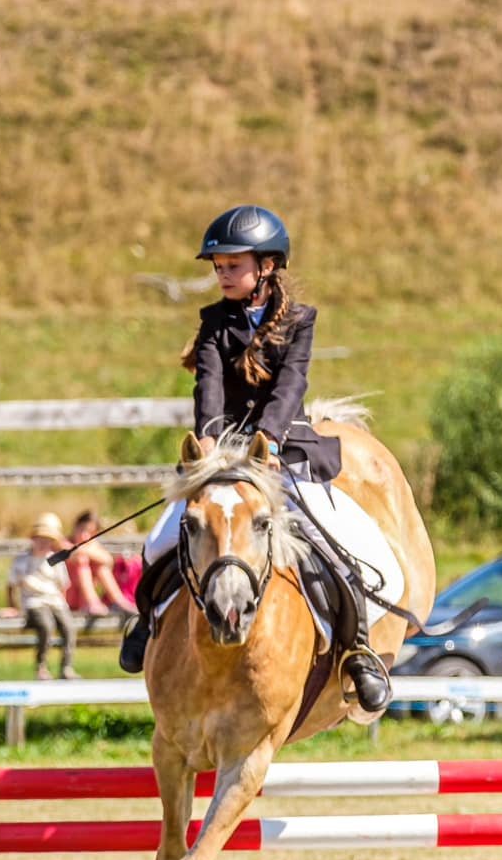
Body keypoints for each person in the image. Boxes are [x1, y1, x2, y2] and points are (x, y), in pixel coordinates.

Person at [116, 204, 391, 713]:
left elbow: (291, 386)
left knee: (338, 547)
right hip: (223, 458)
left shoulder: (301, 322)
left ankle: (357, 652)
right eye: (218, 267)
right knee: (159, 542)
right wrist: (210, 445)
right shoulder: (212, 323)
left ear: (266, 267)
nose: (222, 274)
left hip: (285, 453)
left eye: (232, 265)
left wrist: (266, 443)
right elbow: (210, 388)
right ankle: (147, 623)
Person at [10, 512, 81, 680]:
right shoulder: (22, 560)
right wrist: (13, 606)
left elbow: (63, 585)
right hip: (34, 603)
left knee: (69, 628)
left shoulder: (55, 560)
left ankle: (66, 667)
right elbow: (12, 585)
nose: (42, 544)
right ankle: (41, 666)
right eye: (40, 539)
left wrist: (63, 604)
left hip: (55, 601)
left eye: (47, 540)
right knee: (46, 626)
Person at [65, 509, 138, 619]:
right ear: (75, 527)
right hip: (68, 598)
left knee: (100, 567)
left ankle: (120, 602)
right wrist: (88, 551)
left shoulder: (91, 545)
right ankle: (92, 602)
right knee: (82, 561)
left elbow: (108, 560)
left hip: (83, 600)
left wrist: (88, 551)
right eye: (82, 530)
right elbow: (72, 553)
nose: (85, 536)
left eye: (90, 533)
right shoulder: (64, 543)